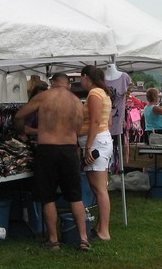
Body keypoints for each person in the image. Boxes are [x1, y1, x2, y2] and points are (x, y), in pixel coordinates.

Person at [13, 72, 90, 251]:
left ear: (53, 83)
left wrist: (22, 132)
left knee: (48, 197)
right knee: (75, 196)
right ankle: (83, 238)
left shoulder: (44, 96)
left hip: (47, 149)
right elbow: (78, 127)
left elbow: (19, 115)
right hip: (69, 149)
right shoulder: (77, 102)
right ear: (69, 85)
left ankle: (53, 240)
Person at [78, 65, 113, 241]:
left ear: (86, 76)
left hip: (96, 141)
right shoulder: (104, 93)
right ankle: (101, 226)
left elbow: (95, 121)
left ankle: (104, 231)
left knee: (99, 189)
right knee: (100, 187)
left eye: (81, 78)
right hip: (102, 139)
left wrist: (88, 146)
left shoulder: (94, 94)